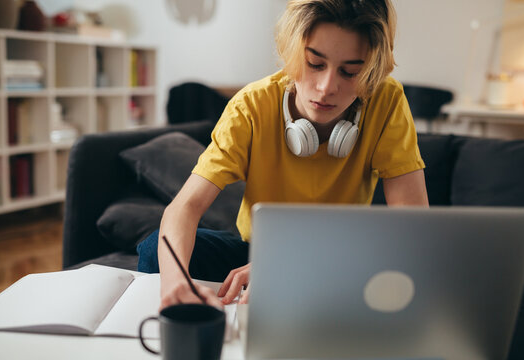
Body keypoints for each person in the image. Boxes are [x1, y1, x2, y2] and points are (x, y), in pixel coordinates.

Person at [137, 0, 429, 310]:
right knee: (157, 248)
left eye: (350, 72)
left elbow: (413, 230)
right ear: (291, 51)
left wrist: (294, 268)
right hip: (258, 257)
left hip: (340, 263)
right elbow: (185, 206)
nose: (326, 86)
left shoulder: (387, 101)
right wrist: (176, 285)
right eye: (314, 63)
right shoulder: (250, 106)